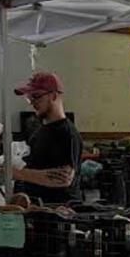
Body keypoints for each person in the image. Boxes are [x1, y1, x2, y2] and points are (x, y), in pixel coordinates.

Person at [13, 71, 83, 203]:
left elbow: (63, 178)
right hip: (39, 209)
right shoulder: (38, 131)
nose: (31, 102)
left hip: (60, 213)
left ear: (54, 96)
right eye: (29, 98)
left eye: (36, 96)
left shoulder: (66, 133)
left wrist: (16, 173)